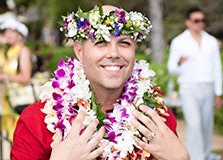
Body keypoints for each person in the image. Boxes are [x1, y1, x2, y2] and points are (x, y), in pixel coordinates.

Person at [11, 5, 189, 160]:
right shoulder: (37, 121)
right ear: (79, 51)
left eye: (124, 43)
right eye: (101, 42)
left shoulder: (154, 120)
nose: (114, 53)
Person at [167, 6, 222, 160]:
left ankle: (205, 155)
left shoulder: (211, 41)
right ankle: (194, 157)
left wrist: (218, 93)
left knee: (206, 126)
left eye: (202, 20)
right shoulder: (179, 42)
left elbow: (217, 68)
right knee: (194, 125)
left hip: (208, 88)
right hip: (188, 89)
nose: (200, 23)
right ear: (188, 22)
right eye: (196, 20)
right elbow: (172, 69)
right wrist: (179, 62)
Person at [0, 18, 32, 142]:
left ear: (19, 34)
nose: (7, 34)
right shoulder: (8, 52)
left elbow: (25, 77)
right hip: (9, 100)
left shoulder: (23, 51)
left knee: (20, 139)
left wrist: (3, 77)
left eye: (11, 31)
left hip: (20, 102)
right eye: (5, 31)